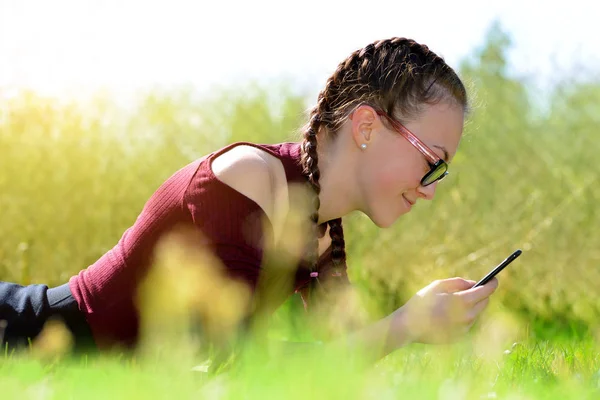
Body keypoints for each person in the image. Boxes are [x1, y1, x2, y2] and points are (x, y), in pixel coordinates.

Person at [0, 37, 498, 359]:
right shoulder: (249, 180)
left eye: (443, 169)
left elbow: (327, 370)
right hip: (23, 339)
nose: (432, 187)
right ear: (366, 127)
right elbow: (228, 365)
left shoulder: (322, 231)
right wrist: (404, 324)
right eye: (430, 160)